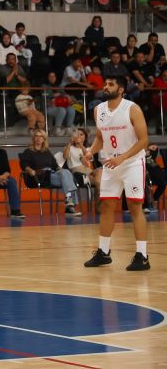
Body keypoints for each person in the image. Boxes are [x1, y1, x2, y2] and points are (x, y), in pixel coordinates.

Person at [83, 75, 151, 271]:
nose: (106, 86)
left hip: (132, 163)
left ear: (121, 89)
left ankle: (142, 255)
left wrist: (123, 157)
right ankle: (103, 253)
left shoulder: (132, 109)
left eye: (111, 84)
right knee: (105, 206)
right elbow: (99, 137)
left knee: (134, 207)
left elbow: (144, 140)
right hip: (111, 164)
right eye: (105, 83)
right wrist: (90, 151)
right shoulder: (98, 110)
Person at [19, 131, 81, 217]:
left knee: (66, 173)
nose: (38, 138)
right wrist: (30, 170)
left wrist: (62, 171)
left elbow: (55, 165)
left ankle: (69, 202)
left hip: (52, 174)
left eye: (41, 136)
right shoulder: (28, 151)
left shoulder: (46, 151)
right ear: (33, 138)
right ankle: (70, 204)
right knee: (67, 176)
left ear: (44, 139)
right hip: (40, 176)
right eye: (36, 136)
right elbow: (24, 164)